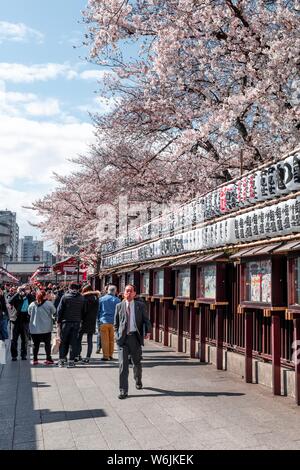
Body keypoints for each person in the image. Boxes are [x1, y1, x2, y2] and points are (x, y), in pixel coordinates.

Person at [114, 284, 151, 399]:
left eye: (130, 291)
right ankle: (123, 390)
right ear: (123, 293)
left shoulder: (140, 306)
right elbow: (116, 323)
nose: (128, 293)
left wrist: (148, 331)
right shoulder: (119, 306)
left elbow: (146, 320)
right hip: (123, 339)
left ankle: (138, 379)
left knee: (137, 363)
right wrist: (117, 335)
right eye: (126, 291)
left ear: (135, 294)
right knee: (123, 365)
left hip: (135, 337)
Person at [56, 283, 85, 368]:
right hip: (76, 322)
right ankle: (71, 361)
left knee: (63, 341)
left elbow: (59, 310)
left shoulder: (65, 297)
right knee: (73, 342)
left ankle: (62, 360)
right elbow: (84, 311)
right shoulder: (81, 298)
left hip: (66, 322)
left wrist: (58, 321)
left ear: (70, 288)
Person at [28, 290, 56, 365]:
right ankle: (48, 358)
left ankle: (35, 359)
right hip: (46, 328)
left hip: (35, 328)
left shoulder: (32, 304)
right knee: (47, 344)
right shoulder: (49, 304)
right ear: (44, 296)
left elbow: (29, 312)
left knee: (35, 344)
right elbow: (54, 311)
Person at [9, 285, 35, 361]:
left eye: (26, 289)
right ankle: (14, 355)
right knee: (14, 339)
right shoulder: (17, 297)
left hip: (25, 320)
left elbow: (34, 301)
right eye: (23, 289)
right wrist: (17, 293)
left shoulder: (29, 297)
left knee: (25, 339)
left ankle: (23, 355)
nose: (24, 291)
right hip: (15, 320)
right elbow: (10, 301)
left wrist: (27, 293)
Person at [77, 285, 100, 363]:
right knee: (89, 339)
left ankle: (78, 355)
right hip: (92, 320)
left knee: (79, 338)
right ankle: (88, 357)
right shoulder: (96, 298)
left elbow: (83, 310)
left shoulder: (84, 298)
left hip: (83, 320)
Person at [99, 285, 121, 361]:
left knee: (105, 340)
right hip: (113, 322)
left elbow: (98, 310)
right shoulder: (117, 300)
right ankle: (110, 355)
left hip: (103, 321)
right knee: (111, 339)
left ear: (107, 290)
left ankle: (105, 356)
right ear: (115, 291)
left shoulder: (101, 299)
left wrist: (98, 319)